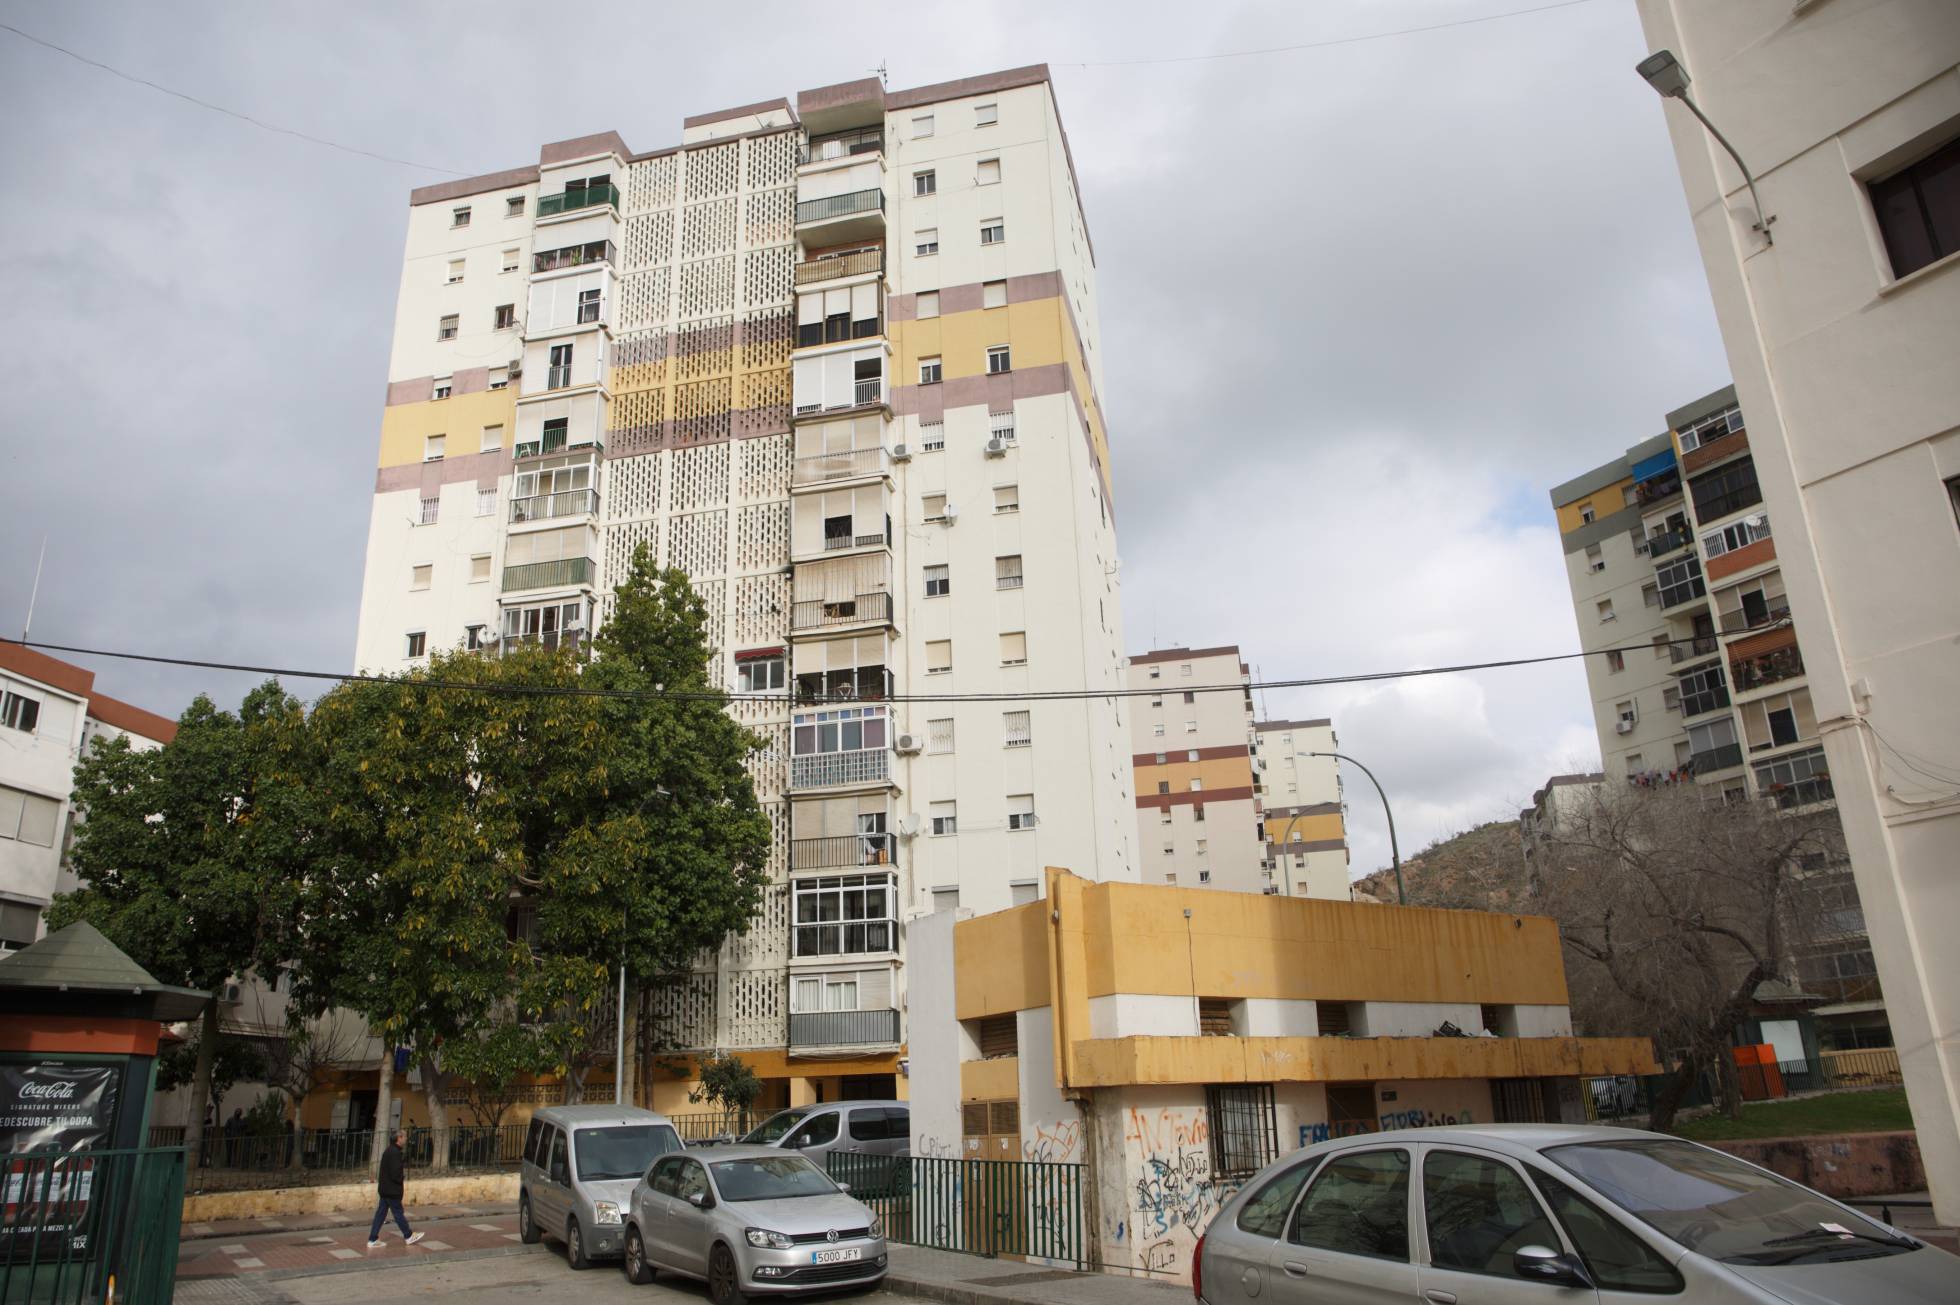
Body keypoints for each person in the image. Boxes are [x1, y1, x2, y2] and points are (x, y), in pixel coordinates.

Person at [367, 1129, 424, 1249]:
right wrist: (401, 1178)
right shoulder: (394, 1152)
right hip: (391, 1190)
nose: (406, 1139)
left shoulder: (389, 1150)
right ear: (399, 1138)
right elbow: (395, 1173)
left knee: (381, 1214)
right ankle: (408, 1235)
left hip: (385, 1189)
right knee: (398, 1213)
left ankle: (372, 1238)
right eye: (404, 1137)